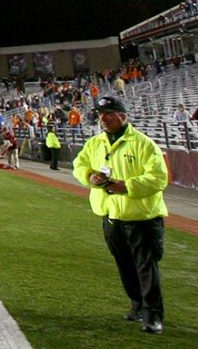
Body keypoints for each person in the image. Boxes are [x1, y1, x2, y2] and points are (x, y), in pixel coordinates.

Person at [72, 96, 169, 335]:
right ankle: (137, 305)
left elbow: (159, 178)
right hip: (111, 215)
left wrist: (127, 186)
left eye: (109, 113)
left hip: (141, 217)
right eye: (100, 114)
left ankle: (153, 315)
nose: (103, 118)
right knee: (124, 264)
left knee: (146, 266)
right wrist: (89, 176)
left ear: (122, 116)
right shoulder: (95, 143)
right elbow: (79, 164)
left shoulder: (143, 144)